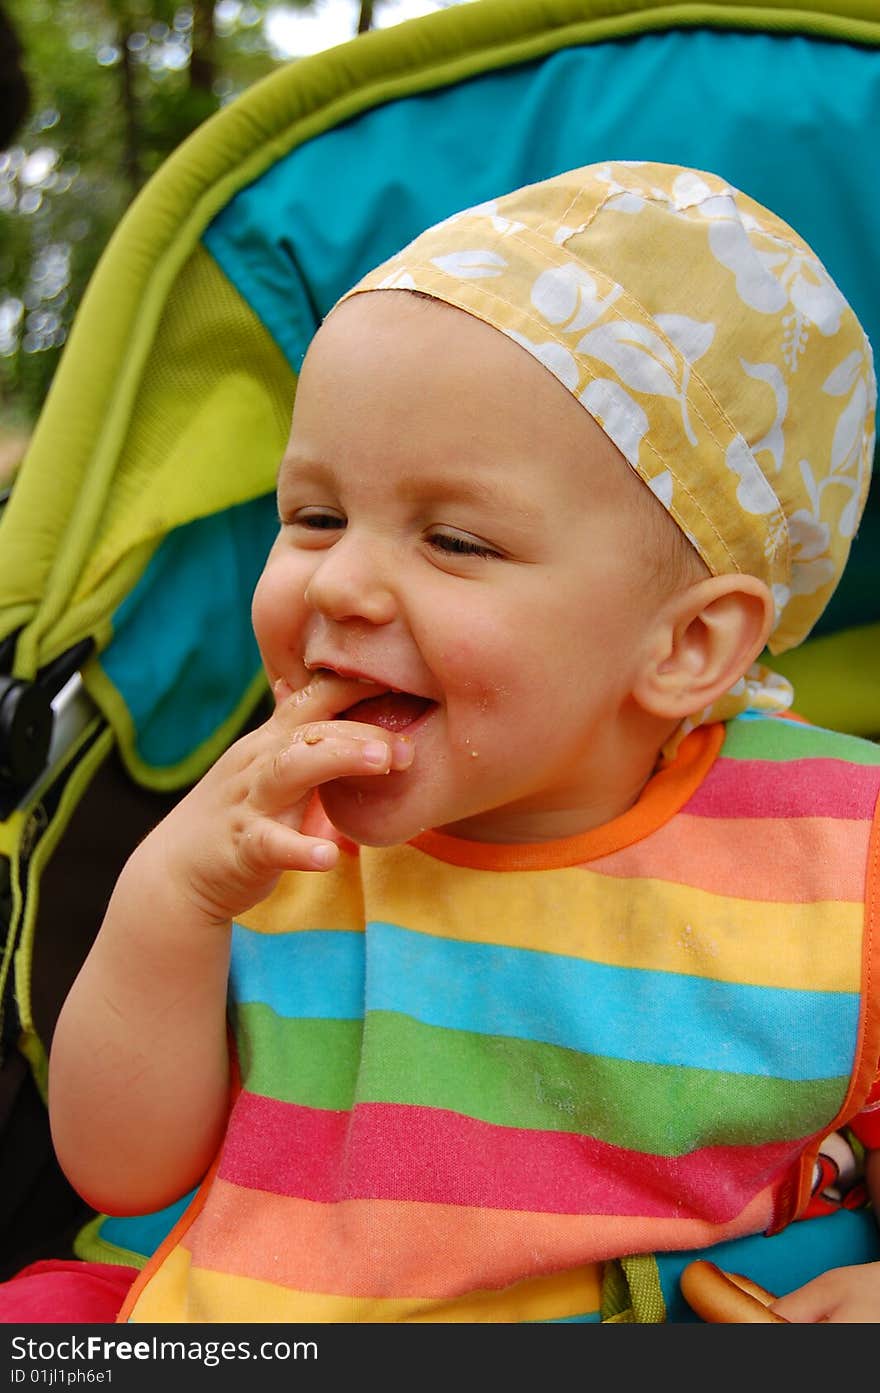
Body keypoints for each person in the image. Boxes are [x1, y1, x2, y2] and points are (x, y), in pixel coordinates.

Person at [7, 160, 880, 1323]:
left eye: (455, 541)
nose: (344, 583)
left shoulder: (836, 857)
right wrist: (172, 898)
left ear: (686, 646)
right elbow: (119, 1170)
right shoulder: (266, 835)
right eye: (313, 517)